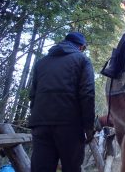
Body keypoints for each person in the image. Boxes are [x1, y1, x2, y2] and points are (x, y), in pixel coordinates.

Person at [29, 32, 95, 172]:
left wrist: (37, 121)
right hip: (70, 125)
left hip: (40, 124)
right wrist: (89, 126)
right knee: (71, 168)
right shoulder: (82, 60)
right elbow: (87, 94)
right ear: (81, 47)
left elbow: (33, 96)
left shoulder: (41, 62)